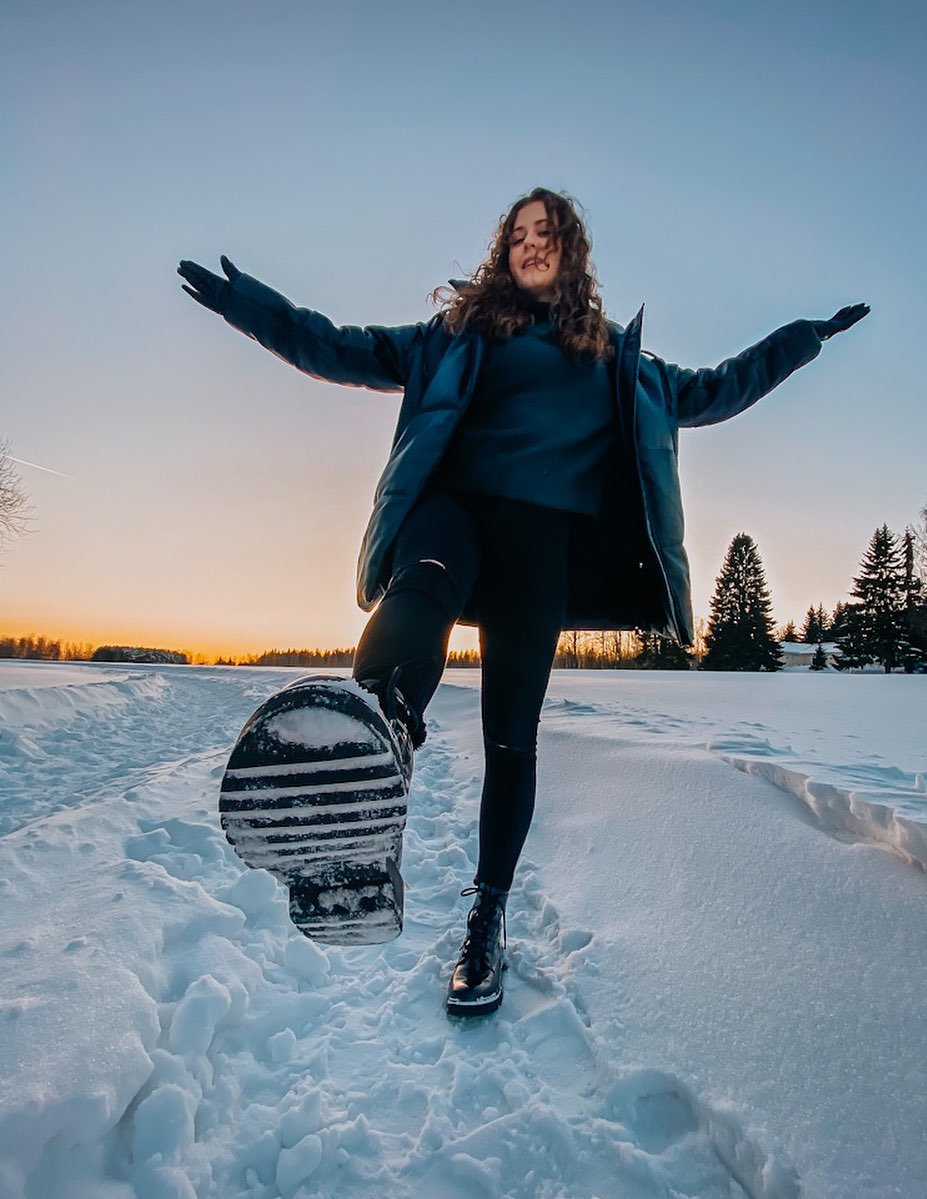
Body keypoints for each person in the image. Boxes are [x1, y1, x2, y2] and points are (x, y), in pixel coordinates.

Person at [178, 187, 868, 1016]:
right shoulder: (452, 337)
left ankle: (486, 915)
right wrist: (248, 305)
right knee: (421, 582)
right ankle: (376, 727)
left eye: (546, 233)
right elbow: (337, 346)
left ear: (570, 250)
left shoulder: (622, 362)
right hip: (453, 509)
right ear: (501, 252)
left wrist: (804, 339)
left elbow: (719, 389)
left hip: (542, 548)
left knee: (512, 737)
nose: (530, 244)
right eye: (517, 234)